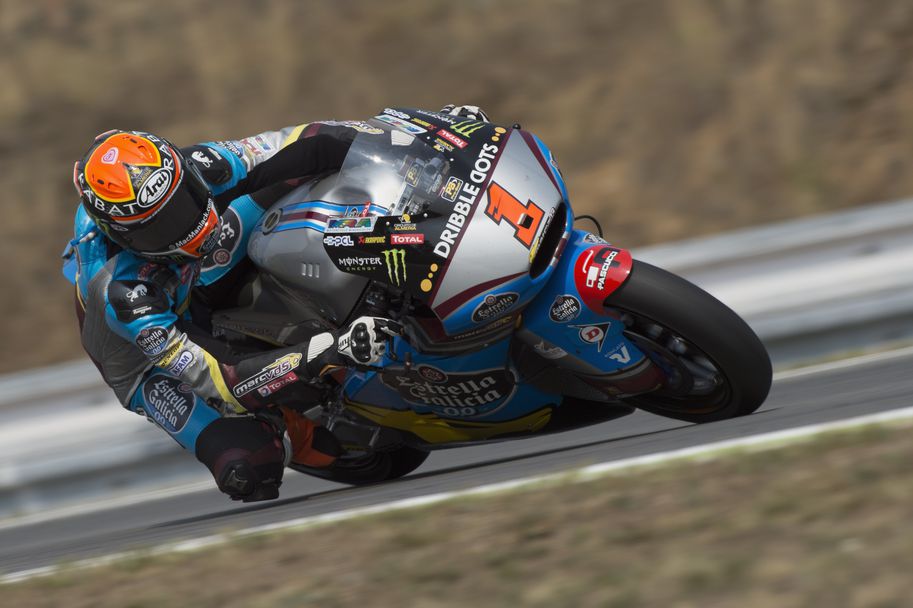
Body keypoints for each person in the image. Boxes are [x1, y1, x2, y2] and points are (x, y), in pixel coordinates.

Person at [66, 105, 489, 502]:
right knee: (248, 468)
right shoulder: (125, 294)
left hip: (194, 269)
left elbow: (306, 139)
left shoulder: (200, 164)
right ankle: (298, 424)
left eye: (186, 199)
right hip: (150, 357)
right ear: (124, 236)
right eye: (161, 227)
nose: (187, 224)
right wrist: (330, 351)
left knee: (307, 166)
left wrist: (426, 140)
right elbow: (224, 379)